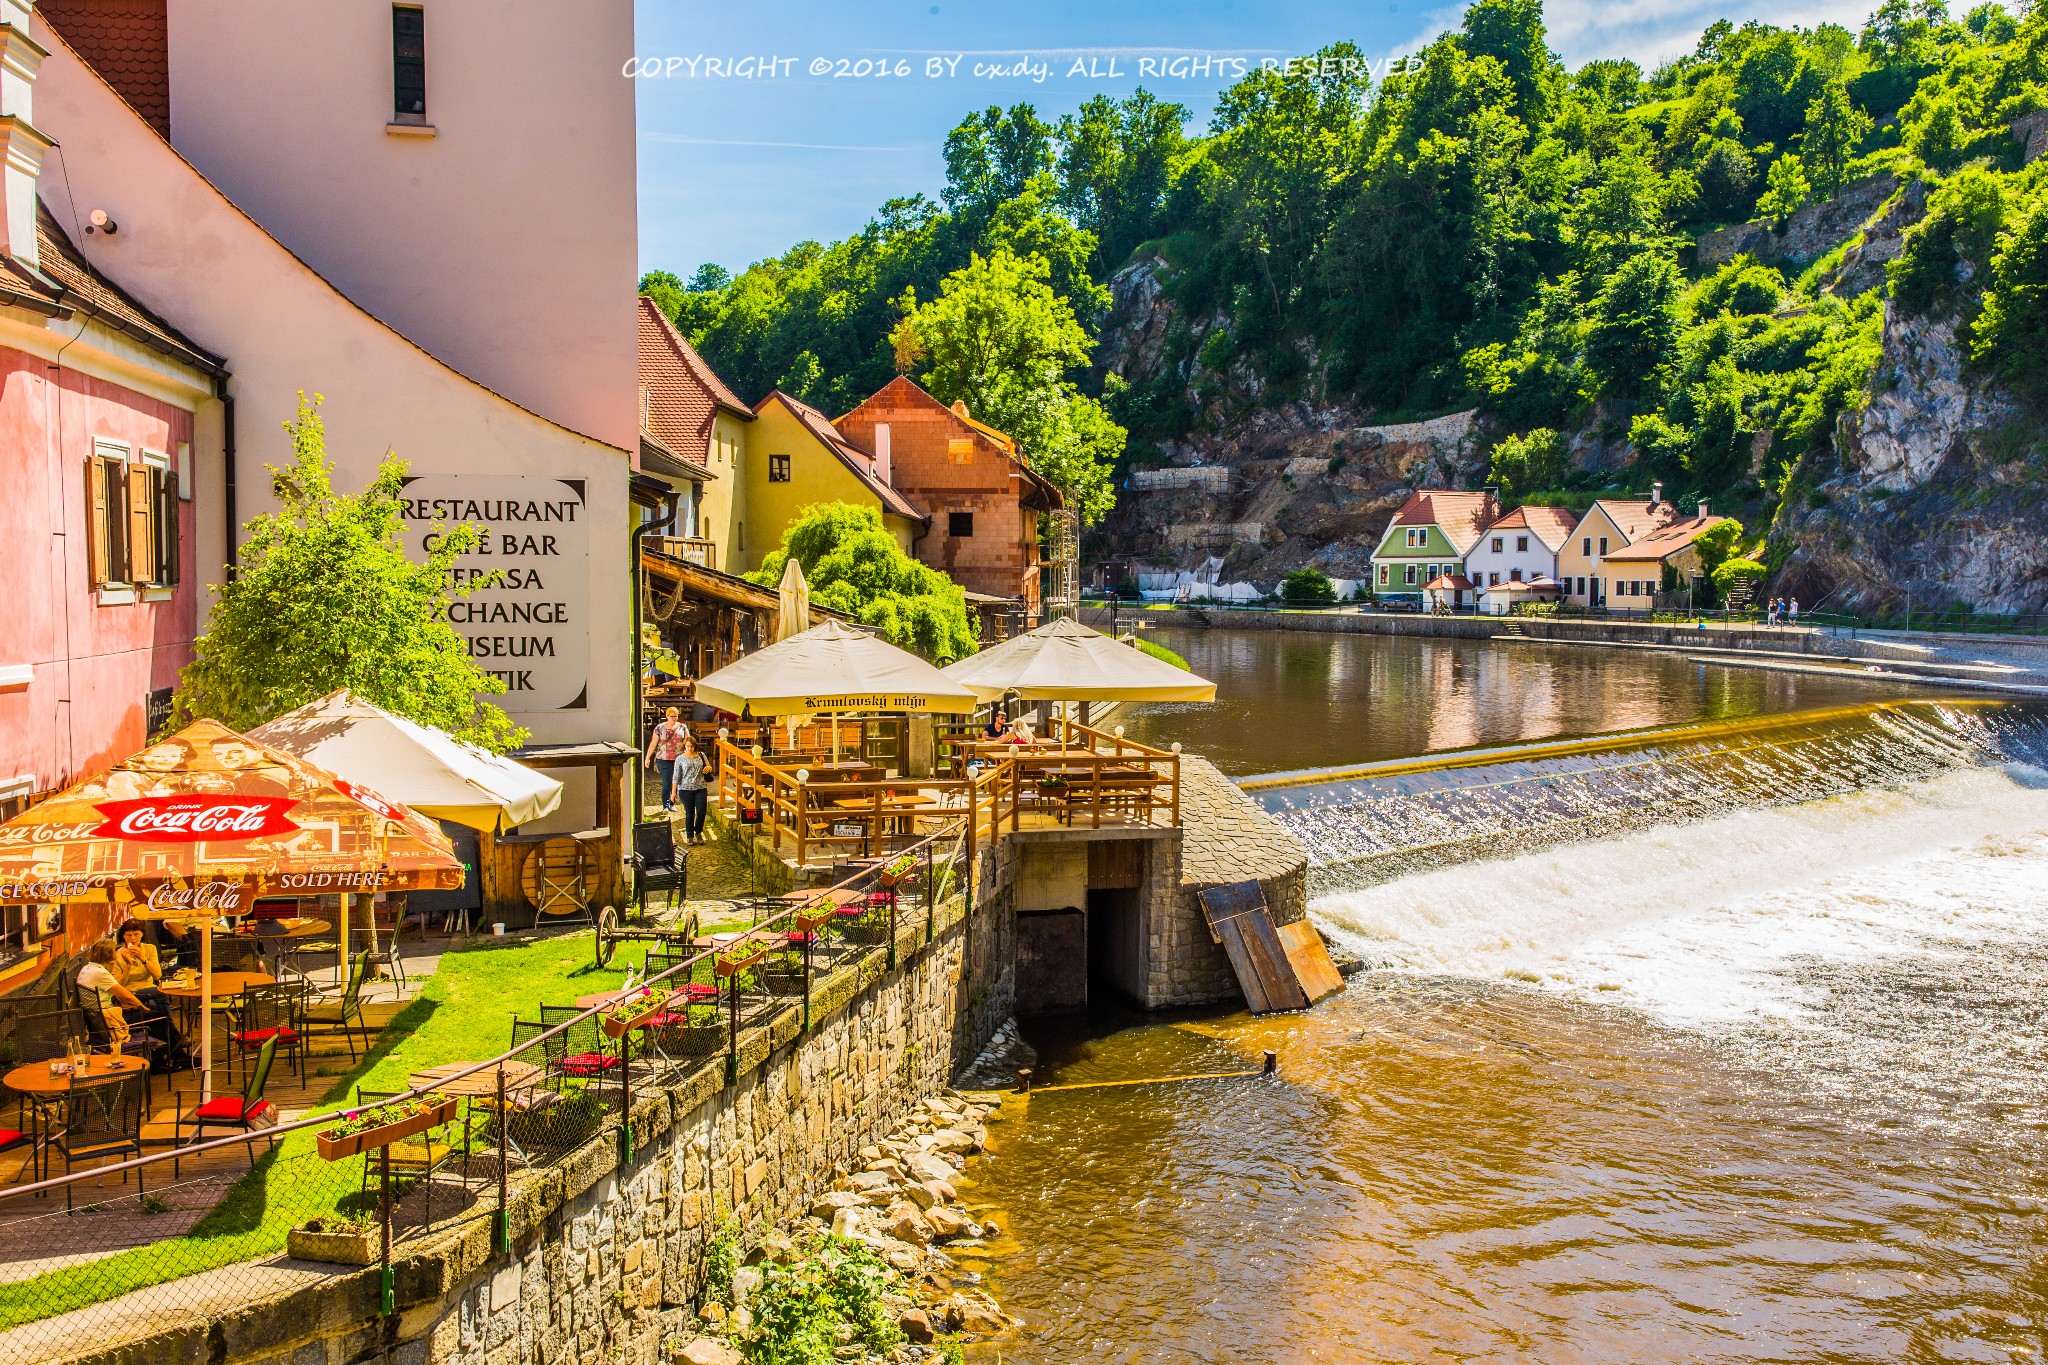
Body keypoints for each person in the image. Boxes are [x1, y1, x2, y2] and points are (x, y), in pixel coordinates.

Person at [78, 938, 187, 1071]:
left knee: (154, 1010)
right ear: (110, 956)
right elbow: (126, 995)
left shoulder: (87, 968)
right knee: (159, 1018)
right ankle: (165, 1059)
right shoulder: (101, 973)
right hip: (109, 1023)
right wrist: (142, 1007)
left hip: (98, 1018)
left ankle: (175, 1053)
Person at [645, 706, 689, 813]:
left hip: (679, 758)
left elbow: (688, 740)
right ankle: (665, 805)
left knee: (676, 782)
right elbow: (653, 743)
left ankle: (672, 804)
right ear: (667, 716)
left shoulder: (683, 727)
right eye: (672, 716)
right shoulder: (660, 728)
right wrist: (647, 757)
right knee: (667, 782)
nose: (674, 718)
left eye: (676, 716)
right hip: (663, 758)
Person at [672, 733, 709, 845]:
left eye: (691, 746)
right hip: (685, 789)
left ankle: (698, 831)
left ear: (695, 746)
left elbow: (708, 765)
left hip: (700, 787)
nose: (689, 748)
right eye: (687, 746)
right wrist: (673, 792)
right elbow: (676, 776)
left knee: (701, 811)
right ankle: (689, 835)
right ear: (684, 746)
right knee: (690, 812)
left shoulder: (701, 755)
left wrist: (708, 767)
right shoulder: (680, 758)